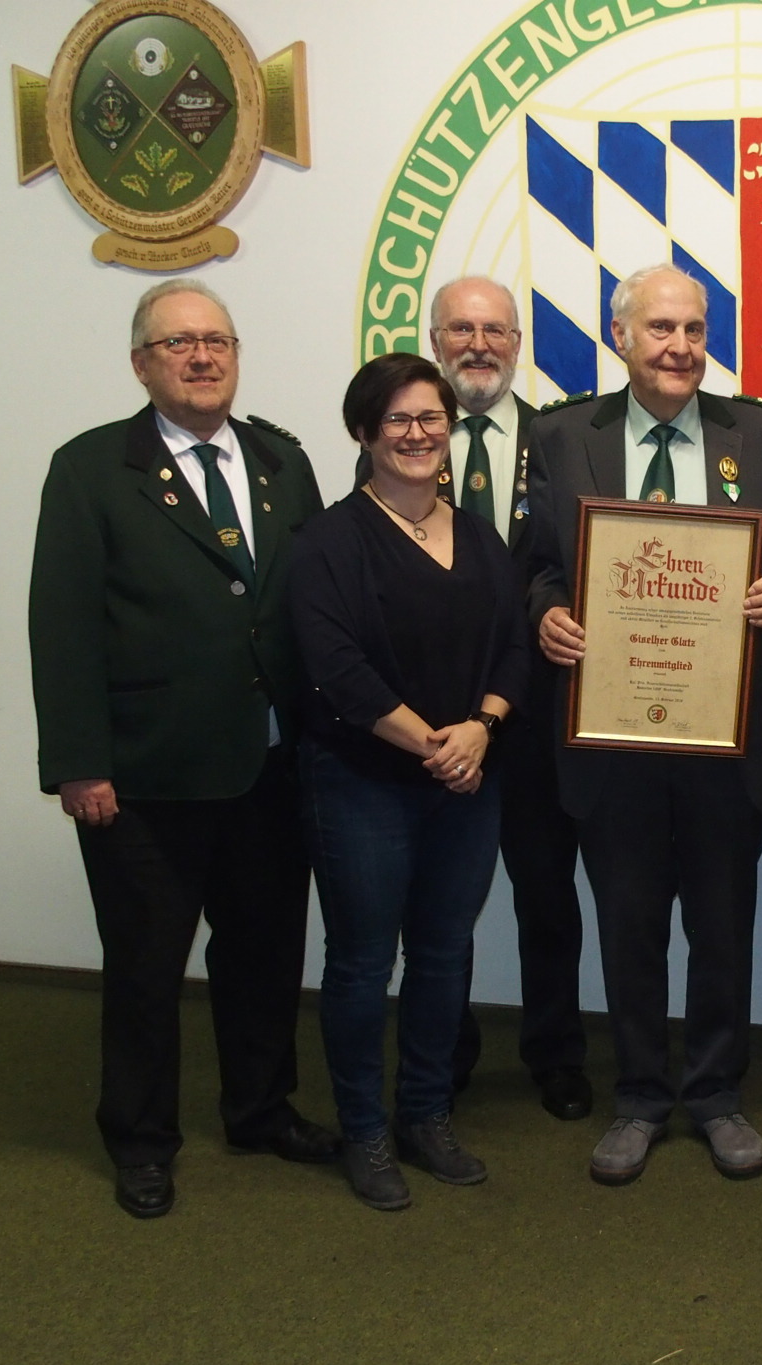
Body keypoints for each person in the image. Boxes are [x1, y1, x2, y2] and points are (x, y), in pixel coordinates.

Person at [28, 279, 336, 1220]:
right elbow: (63, 625)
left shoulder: (283, 461)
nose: (202, 358)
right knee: (148, 970)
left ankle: (259, 1109)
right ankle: (140, 1138)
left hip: (271, 767)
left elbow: (309, 609)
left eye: (217, 342)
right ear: (141, 364)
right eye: (179, 345)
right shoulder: (90, 470)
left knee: (266, 955)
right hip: (145, 777)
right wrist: (80, 764)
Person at [526, 263, 762, 1185]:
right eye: (660, 329)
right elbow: (535, 567)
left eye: (693, 329)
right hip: (613, 732)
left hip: (726, 734)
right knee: (630, 923)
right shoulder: (561, 435)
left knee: (724, 925)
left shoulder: (761, 434)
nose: (680, 347)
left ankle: (720, 1094)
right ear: (621, 338)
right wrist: (546, 615)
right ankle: (642, 1096)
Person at [290, 352, 528, 1211]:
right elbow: (333, 669)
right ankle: (364, 1131)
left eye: (432, 419)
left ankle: (426, 1114)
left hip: (466, 779)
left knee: (443, 952)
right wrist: (432, 742)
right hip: (362, 782)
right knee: (360, 963)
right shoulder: (326, 543)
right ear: (364, 432)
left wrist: (483, 728)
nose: (419, 434)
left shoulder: (480, 537)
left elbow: (515, 645)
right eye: (399, 420)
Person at [427, 275, 592, 1124]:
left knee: (546, 896)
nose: (478, 345)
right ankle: (442, 1054)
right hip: (436, 725)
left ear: (518, 344)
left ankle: (556, 1053)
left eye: (494, 330)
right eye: (461, 329)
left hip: (531, 718)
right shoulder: (404, 440)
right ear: (436, 340)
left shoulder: (559, 441)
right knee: (443, 902)